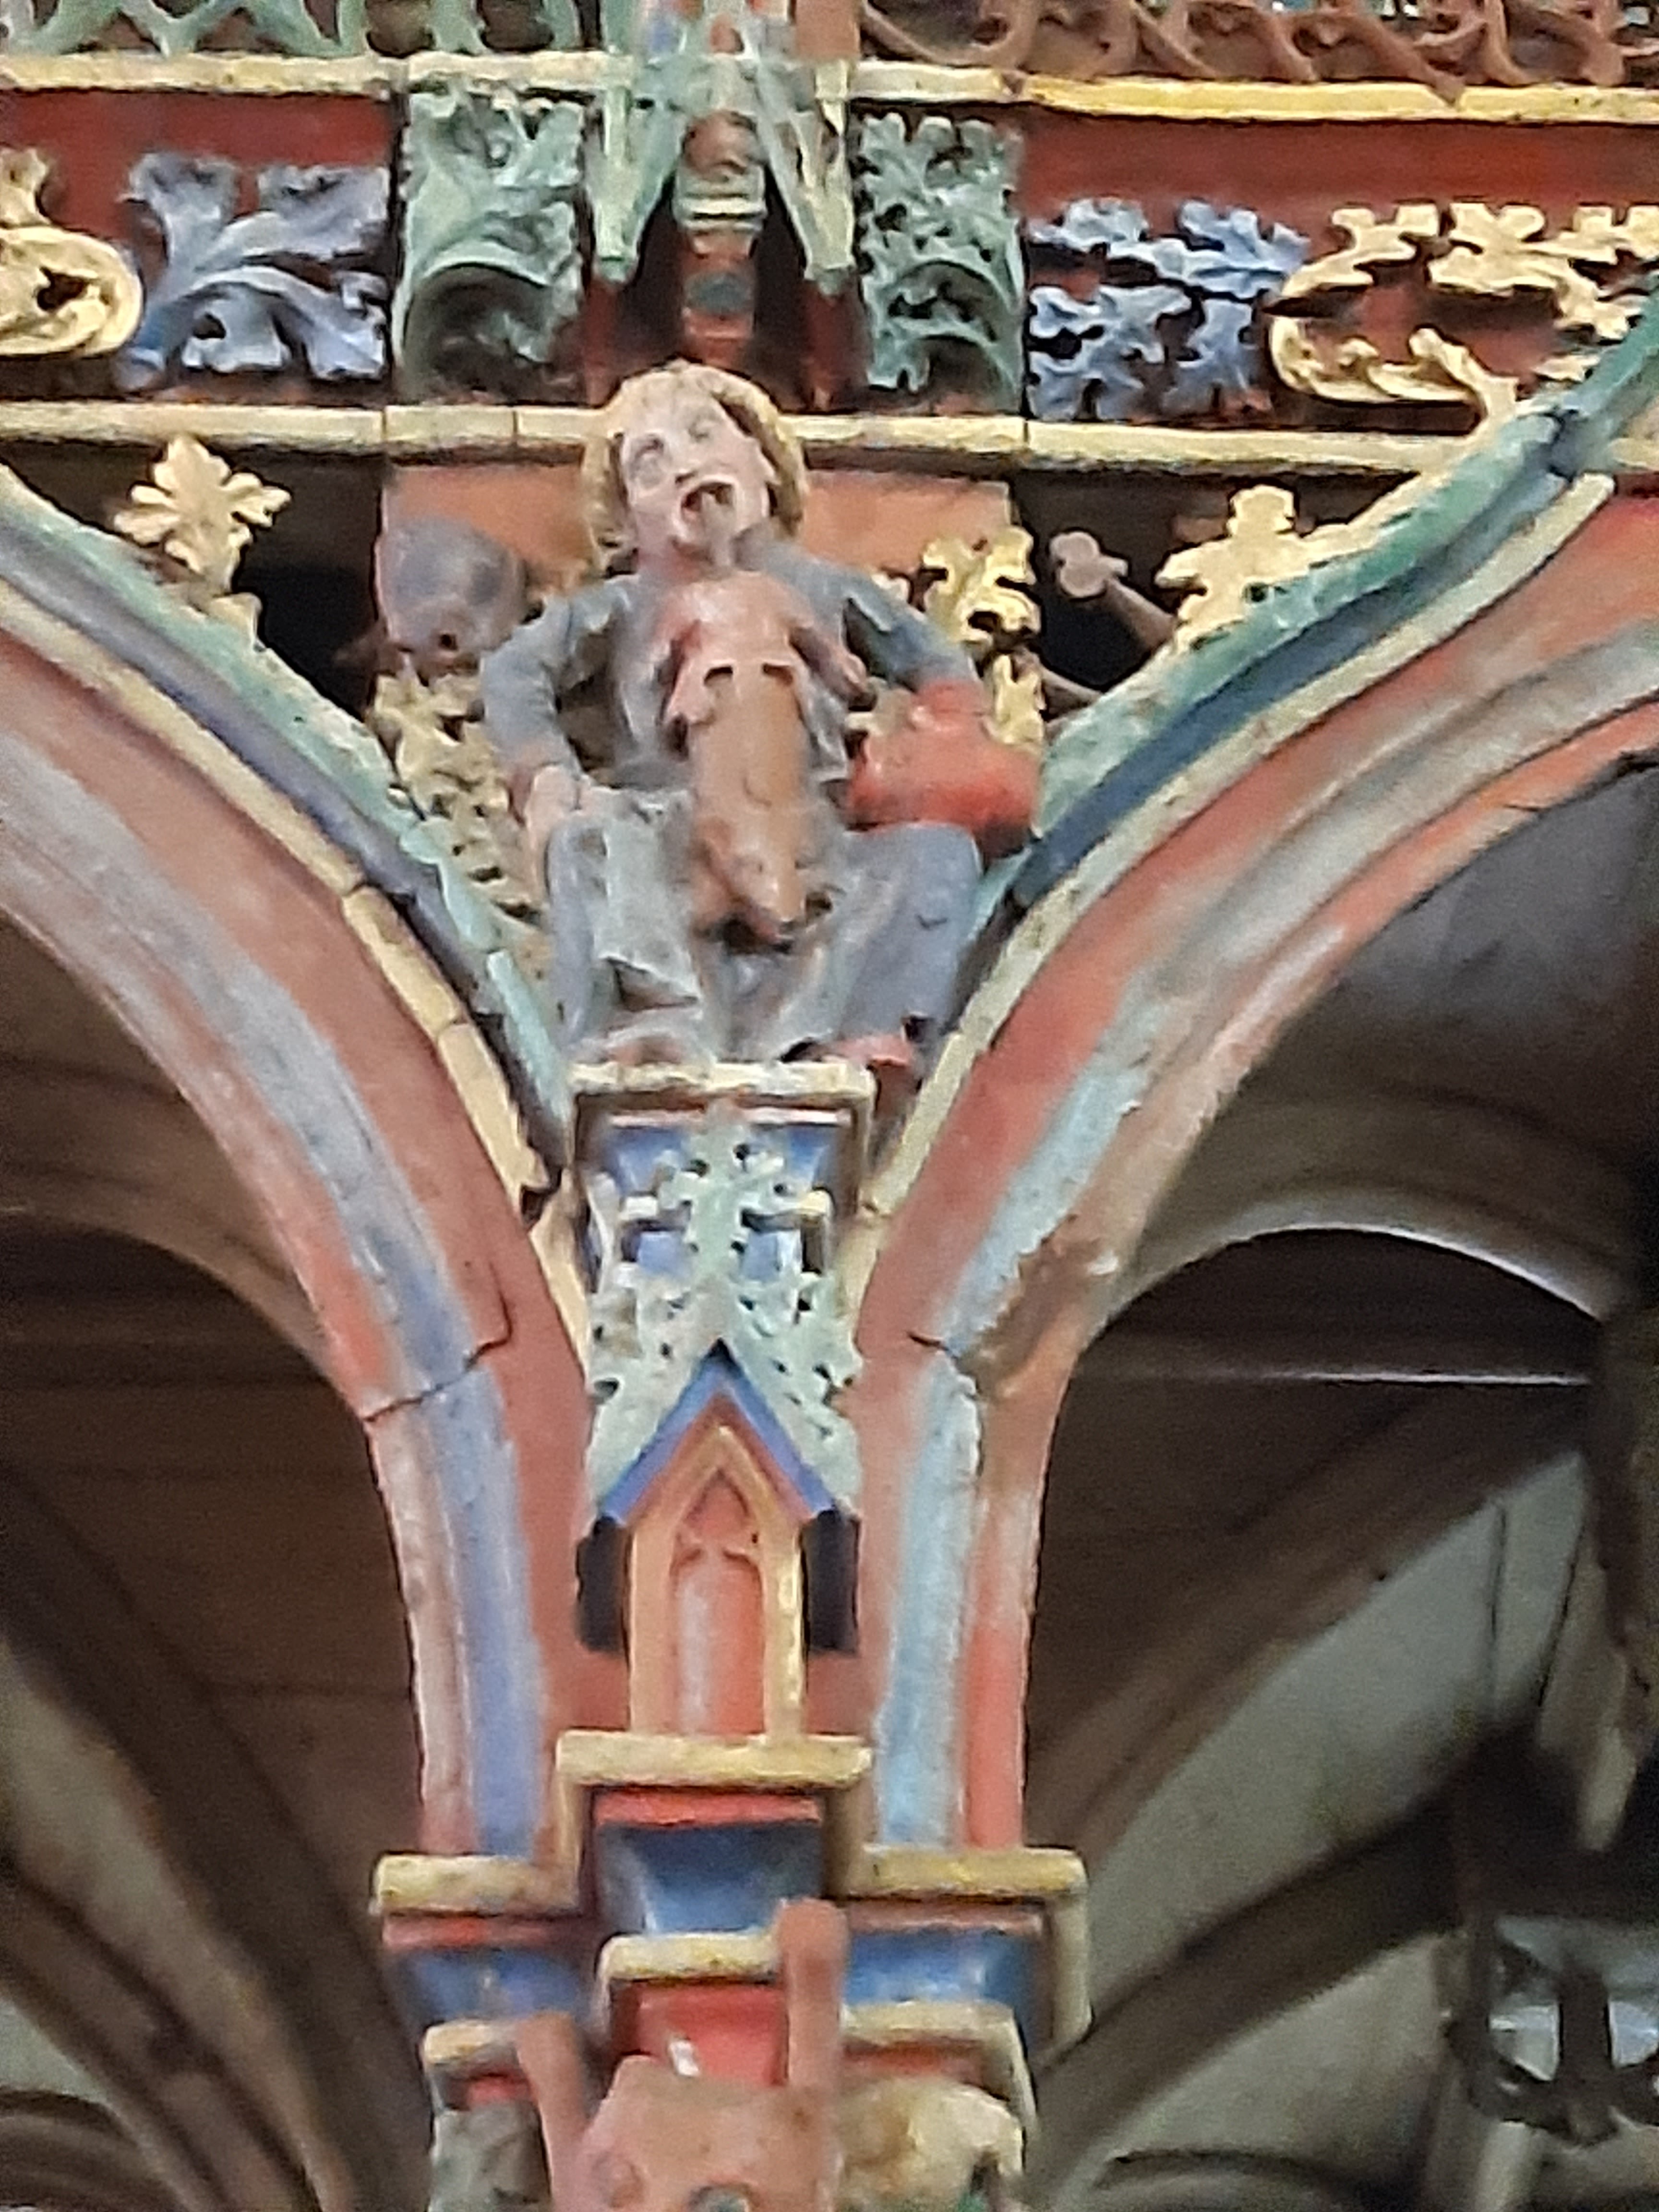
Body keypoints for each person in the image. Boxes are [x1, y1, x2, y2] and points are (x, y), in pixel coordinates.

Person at [481, 361, 1035, 1069]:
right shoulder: (623, 604)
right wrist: (546, 771)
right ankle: (658, 1023)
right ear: (628, 526)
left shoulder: (824, 587)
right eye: (650, 466)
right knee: (589, 847)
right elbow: (516, 670)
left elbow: (933, 661)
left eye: (703, 435)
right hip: (667, 824)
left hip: (819, 826)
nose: (684, 466)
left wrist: (942, 735)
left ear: (766, 466)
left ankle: (867, 1028)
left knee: (936, 857)